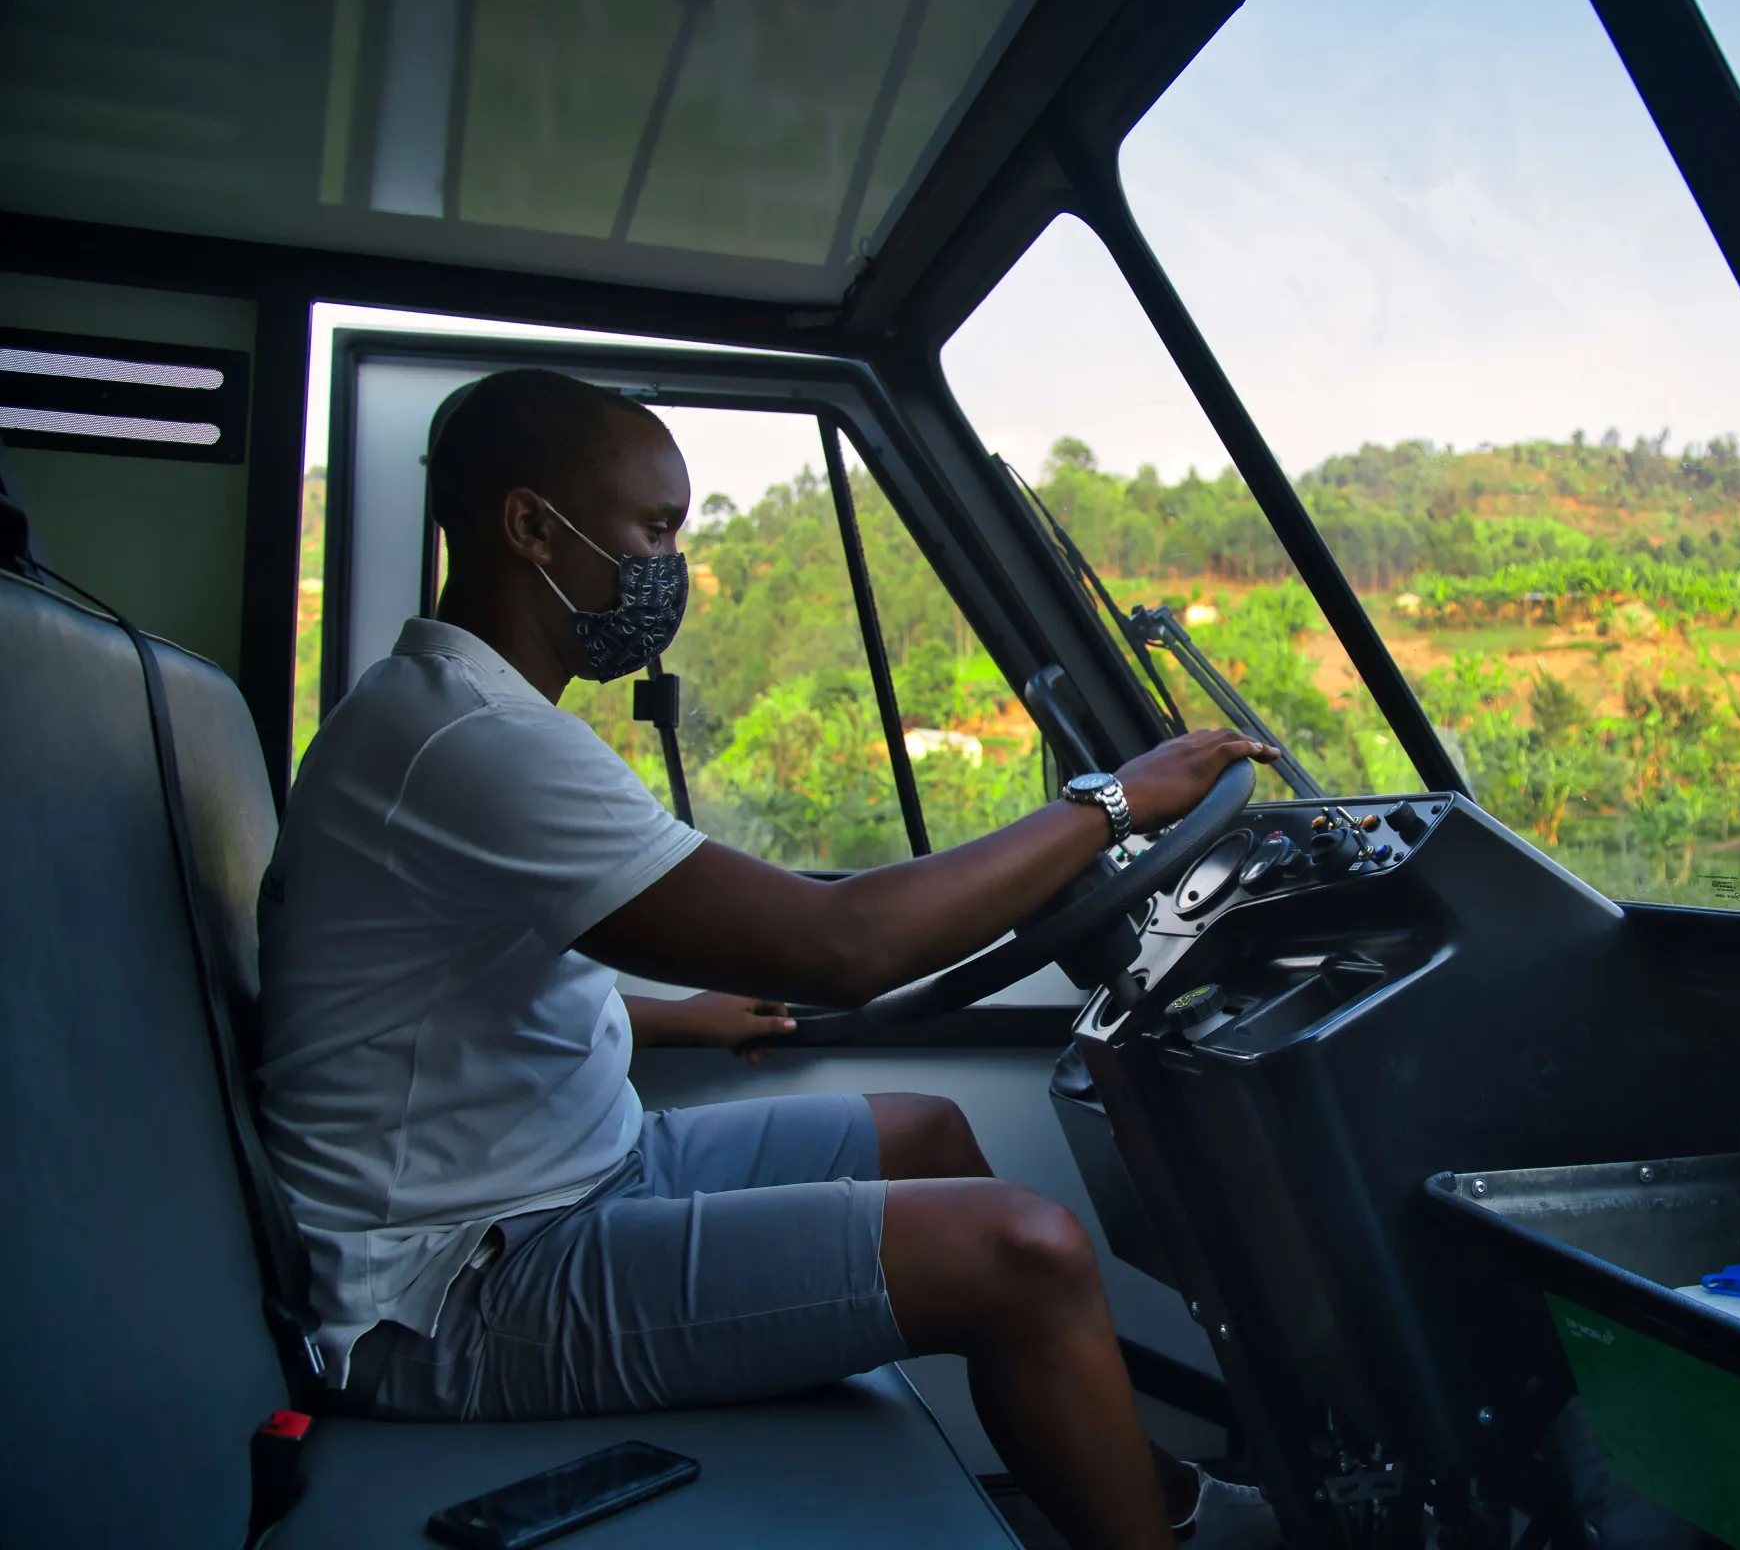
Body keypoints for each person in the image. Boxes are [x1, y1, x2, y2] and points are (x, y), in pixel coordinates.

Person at [256, 368, 1282, 1550]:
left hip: (574, 1171)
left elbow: (428, 993)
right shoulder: (464, 740)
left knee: (929, 1131)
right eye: (654, 529)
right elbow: (845, 945)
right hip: (450, 1294)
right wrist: (1110, 804)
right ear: (532, 525)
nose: (667, 569)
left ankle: (1160, 1495)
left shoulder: (459, 715)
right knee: (1030, 1253)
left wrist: (675, 1019)